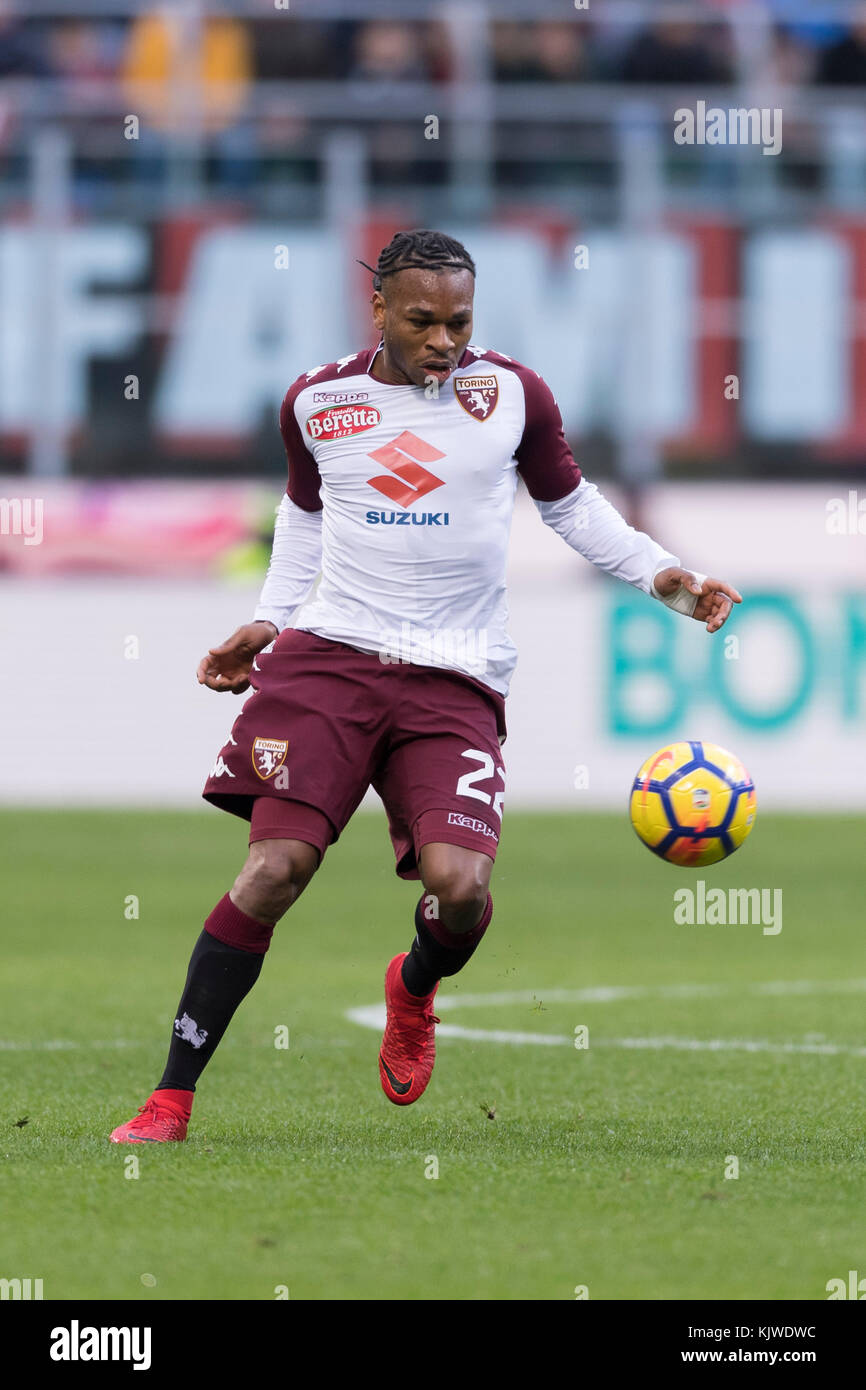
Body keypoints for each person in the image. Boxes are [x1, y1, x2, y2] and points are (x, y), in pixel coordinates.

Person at [110, 229, 741, 1143]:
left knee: (461, 891)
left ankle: (414, 987)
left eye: (459, 322)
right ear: (379, 308)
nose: (445, 341)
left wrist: (665, 577)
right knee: (272, 870)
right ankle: (170, 1098)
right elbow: (303, 513)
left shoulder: (511, 395)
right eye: (423, 322)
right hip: (333, 660)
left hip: (455, 676)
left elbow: (569, 503)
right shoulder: (317, 401)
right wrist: (271, 619)